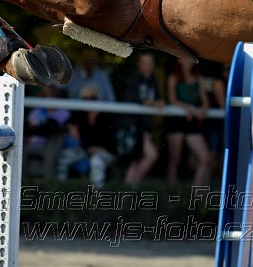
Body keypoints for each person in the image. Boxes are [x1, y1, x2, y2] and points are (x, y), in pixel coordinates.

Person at [56, 84, 118, 187]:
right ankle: (59, 189)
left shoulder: (106, 116)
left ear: (97, 99)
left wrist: (97, 149)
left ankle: (96, 195)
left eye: (92, 98)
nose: (88, 101)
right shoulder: (82, 115)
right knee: (64, 157)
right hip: (86, 150)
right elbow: (67, 123)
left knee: (96, 161)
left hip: (105, 152)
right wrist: (72, 128)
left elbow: (112, 144)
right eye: (85, 98)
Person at [165, 57, 212, 187]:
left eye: (190, 59)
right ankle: (170, 194)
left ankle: (196, 195)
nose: (188, 62)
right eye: (185, 59)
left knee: (205, 158)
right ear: (179, 60)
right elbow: (172, 99)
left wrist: (204, 111)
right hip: (176, 121)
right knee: (175, 160)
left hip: (192, 122)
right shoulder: (173, 77)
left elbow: (205, 99)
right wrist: (192, 109)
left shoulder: (198, 78)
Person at [122, 52, 164, 187]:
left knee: (138, 159)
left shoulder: (153, 79)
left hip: (146, 126)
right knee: (150, 155)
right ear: (138, 64)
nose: (148, 65)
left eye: (150, 62)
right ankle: (132, 186)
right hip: (135, 126)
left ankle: (128, 190)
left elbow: (158, 99)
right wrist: (153, 103)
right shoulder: (135, 78)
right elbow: (132, 99)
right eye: (144, 62)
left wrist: (158, 102)